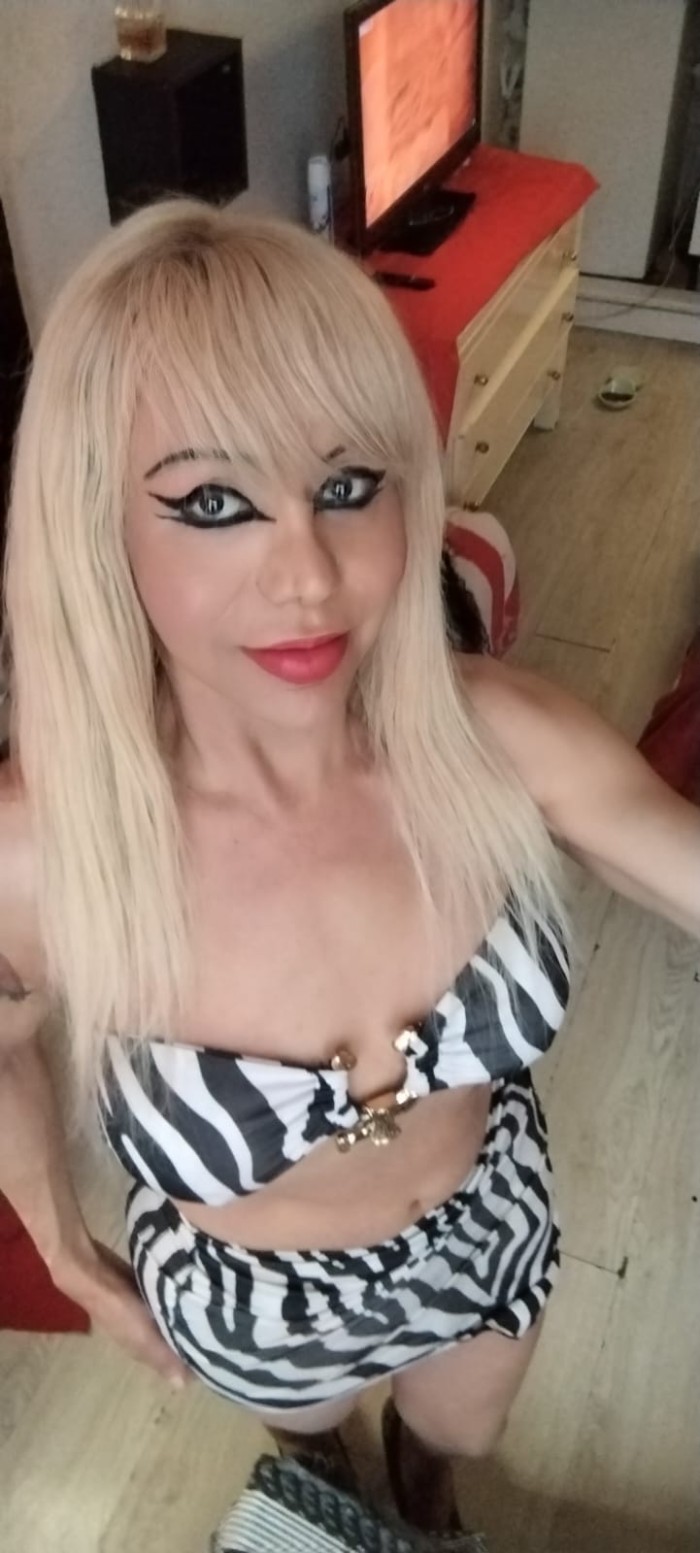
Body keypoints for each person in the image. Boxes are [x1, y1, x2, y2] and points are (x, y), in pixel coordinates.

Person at [1, 202, 698, 1544]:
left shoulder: (497, 740)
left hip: (488, 1224)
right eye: (214, 503)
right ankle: (325, 1469)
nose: (308, 577)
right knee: (307, 1428)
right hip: (254, 1300)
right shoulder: (43, 852)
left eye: (346, 486)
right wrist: (65, 1253)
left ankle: (421, 1502)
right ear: (101, 529)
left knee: (459, 1442)